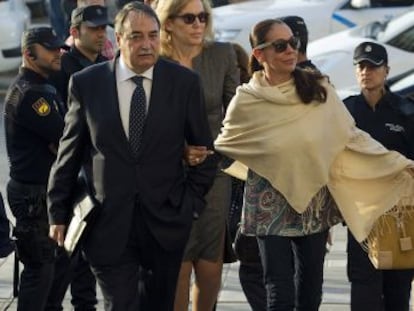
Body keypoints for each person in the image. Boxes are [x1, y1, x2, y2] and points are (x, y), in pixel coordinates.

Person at [214, 18, 414, 311]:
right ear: (259, 54)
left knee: (310, 293)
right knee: (278, 292)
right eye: (280, 45)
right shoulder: (247, 99)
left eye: (293, 43)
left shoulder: (317, 88)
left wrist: (397, 164)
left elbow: (351, 137)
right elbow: (228, 143)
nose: (290, 50)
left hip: (313, 204)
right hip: (268, 204)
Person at [47, 2, 217, 310]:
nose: (147, 44)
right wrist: (57, 211)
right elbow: (69, 152)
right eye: (136, 36)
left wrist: (189, 205)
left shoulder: (183, 83)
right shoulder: (88, 84)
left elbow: (205, 152)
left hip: (165, 222)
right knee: (120, 304)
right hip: (108, 224)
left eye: (152, 35)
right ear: (119, 39)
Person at [155, 0, 239, 310]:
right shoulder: (155, 61)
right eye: (189, 18)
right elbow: (146, 119)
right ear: (169, 22)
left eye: (203, 16)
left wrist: (213, 150)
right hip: (166, 172)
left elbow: (236, 115)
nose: (198, 24)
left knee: (209, 260)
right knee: (179, 260)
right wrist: (180, 150)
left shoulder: (222, 54)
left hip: (213, 171)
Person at [343, 41, 414, 311]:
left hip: (401, 217)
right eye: (361, 66)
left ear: (386, 71)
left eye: (373, 67)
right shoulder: (346, 111)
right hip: (362, 216)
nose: (366, 72)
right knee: (363, 292)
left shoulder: (405, 112)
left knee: (398, 292)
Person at [3, 26, 67, 311]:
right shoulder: (30, 94)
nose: (58, 53)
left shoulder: (43, 85)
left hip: (43, 192)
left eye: (58, 47)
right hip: (33, 195)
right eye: (50, 48)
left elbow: (64, 141)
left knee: (55, 271)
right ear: (29, 54)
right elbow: (66, 137)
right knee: (40, 272)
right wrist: (63, 145)